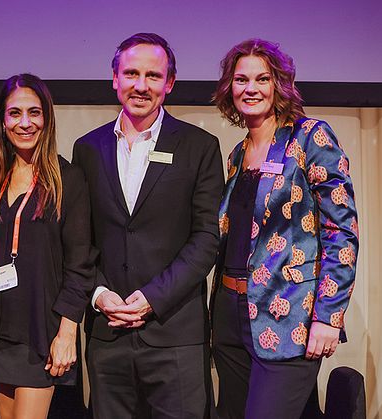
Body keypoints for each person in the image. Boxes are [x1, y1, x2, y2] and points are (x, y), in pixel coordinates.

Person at [72, 33, 224, 418]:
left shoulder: (200, 147)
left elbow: (207, 238)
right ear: (115, 78)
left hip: (174, 333)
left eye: (153, 76)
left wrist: (154, 297)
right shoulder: (87, 148)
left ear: (169, 83)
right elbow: (79, 238)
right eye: (131, 73)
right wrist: (99, 293)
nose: (141, 85)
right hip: (107, 332)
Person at [210, 38, 359, 418]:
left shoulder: (311, 136)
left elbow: (340, 232)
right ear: (230, 87)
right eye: (241, 79)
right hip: (229, 314)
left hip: (288, 315)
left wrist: (328, 316)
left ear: (279, 84)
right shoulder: (237, 154)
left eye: (263, 79)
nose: (251, 88)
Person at [0, 74, 95, 419]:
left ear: (47, 118)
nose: (25, 123)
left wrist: (67, 333)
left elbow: (80, 265)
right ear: (2, 120)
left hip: (42, 333)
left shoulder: (68, 180)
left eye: (34, 113)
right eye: (15, 114)